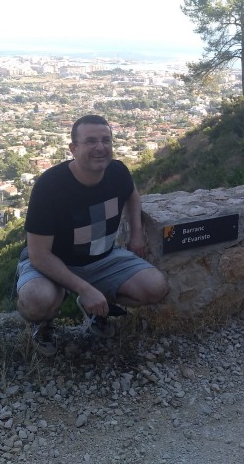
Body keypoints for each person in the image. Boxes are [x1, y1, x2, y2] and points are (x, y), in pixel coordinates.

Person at [16, 114, 169, 355]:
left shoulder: (117, 172)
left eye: (106, 140)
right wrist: (84, 289)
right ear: (73, 148)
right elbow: (39, 255)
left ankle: (96, 307)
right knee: (36, 301)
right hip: (54, 262)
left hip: (102, 257)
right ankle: (45, 325)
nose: (100, 147)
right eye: (90, 141)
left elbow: (132, 196)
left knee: (155, 287)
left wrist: (137, 234)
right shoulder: (50, 186)